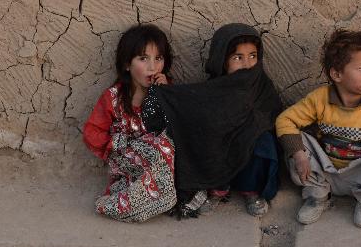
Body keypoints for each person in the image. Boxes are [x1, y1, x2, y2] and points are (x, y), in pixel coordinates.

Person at [275, 29, 361, 228]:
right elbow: (284, 120)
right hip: (325, 172)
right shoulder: (319, 99)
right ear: (337, 74)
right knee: (295, 143)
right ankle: (317, 196)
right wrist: (299, 154)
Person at [142, 23, 283, 218]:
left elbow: (270, 113)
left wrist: (251, 126)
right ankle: (218, 188)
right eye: (237, 57)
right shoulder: (213, 89)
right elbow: (192, 104)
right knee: (208, 136)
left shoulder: (262, 85)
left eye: (252, 56)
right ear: (222, 61)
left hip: (249, 146)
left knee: (262, 142)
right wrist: (167, 91)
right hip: (222, 148)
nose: (247, 63)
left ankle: (251, 190)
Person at [82, 24, 176, 222]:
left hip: (161, 159)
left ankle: (152, 194)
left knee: (167, 145)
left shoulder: (167, 89)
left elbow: (180, 124)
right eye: (143, 58)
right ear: (127, 64)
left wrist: (167, 96)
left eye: (158, 58)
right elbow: (92, 132)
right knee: (162, 147)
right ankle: (124, 205)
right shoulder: (113, 98)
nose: (153, 67)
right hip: (127, 158)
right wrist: (116, 144)